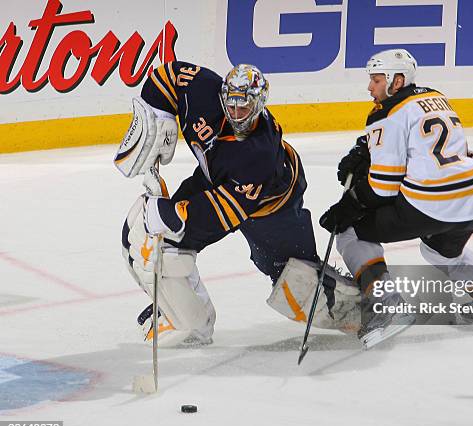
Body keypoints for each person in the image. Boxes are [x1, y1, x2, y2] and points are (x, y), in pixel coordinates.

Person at [319, 49, 473, 348]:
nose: (369, 88)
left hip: (432, 205)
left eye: (375, 80)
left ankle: (387, 305)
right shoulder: (435, 97)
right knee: (440, 252)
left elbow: (384, 187)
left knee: (350, 230)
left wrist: (349, 205)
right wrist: (366, 147)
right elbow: (416, 139)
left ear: (396, 81)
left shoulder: (386, 113)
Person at [116, 62, 320, 347]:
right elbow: (168, 76)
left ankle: (368, 308)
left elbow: (218, 213)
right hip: (217, 178)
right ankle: (188, 320)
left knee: (300, 285)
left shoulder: (258, 154)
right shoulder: (201, 90)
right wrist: (157, 116)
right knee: (164, 245)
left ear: (259, 104)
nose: (235, 114)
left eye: (243, 108)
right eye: (231, 105)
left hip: (272, 207)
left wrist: (172, 214)